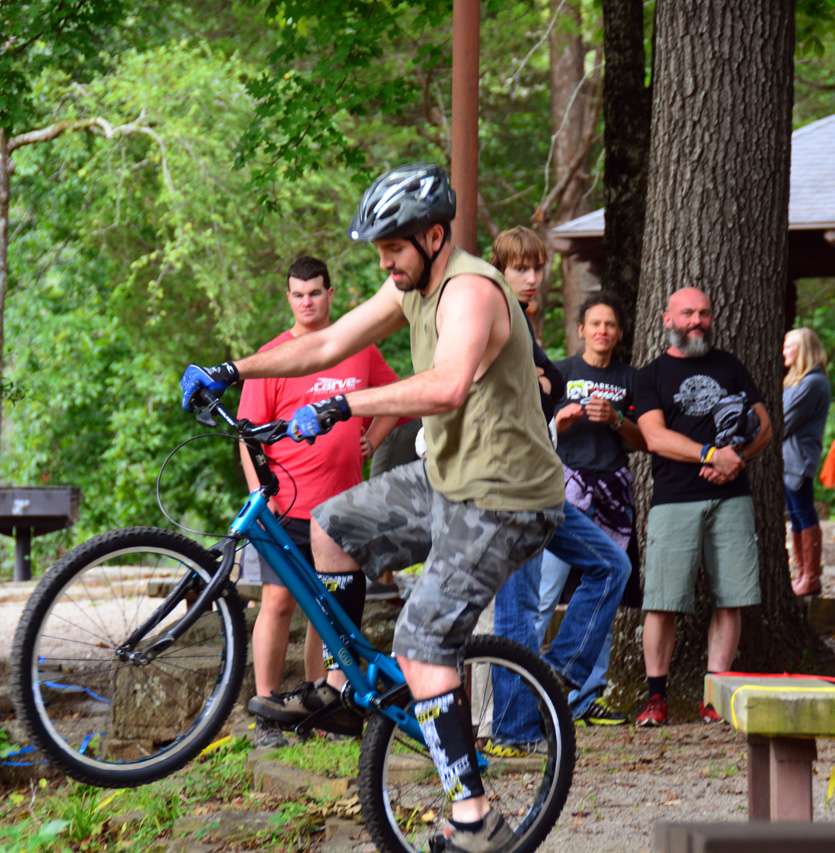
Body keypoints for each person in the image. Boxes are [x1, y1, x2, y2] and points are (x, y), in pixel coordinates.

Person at [181, 163, 564, 852]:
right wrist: (232, 369)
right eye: (380, 248)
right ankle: (337, 684)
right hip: (448, 476)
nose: (384, 260)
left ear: (434, 234)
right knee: (331, 526)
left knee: (420, 645)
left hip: (505, 496)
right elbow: (324, 344)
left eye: (393, 246)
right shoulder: (408, 286)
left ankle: (476, 817)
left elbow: (446, 387)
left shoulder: (470, 291)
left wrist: (342, 404)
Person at [238, 256, 400, 747]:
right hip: (285, 507)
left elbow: (395, 393)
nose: (307, 302)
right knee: (279, 601)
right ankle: (267, 712)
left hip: (342, 509)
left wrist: (373, 436)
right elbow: (247, 436)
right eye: (297, 294)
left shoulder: (358, 349)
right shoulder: (272, 357)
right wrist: (256, 496)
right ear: (288, 298)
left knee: (328, 610)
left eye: (315, 293)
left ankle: (321, 706)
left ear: (330, 294)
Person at [484, 229, 631, 752]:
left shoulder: (522, 321)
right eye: (519, 267)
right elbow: (514, 388)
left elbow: (547, 386)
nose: (531, 277)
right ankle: (514, 731)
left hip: (540, 484)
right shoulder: (491, 314)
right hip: (504, 484)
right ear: (497, 269)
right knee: (520, 609)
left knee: (611, 566)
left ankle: (556, 679)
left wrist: (546, 389)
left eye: (537, 267)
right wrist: (541, 387)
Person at [631, 287, 771, 727]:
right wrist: (712, 455)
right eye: (687, 313)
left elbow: (764, 425)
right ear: (666, 318)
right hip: (674, 499)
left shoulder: (730, 366)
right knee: (662, 601)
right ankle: (657, 698)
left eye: (704, 313)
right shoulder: (649, 375)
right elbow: (654, 437)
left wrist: (737, 460)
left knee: (731, 596)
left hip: (732, 497)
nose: (697, 321)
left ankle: (716, 694)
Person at [533, 294, 644, 726]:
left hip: (613, 493)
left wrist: (616, 420)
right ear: (580, 329)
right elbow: (532, 434)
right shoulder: (560, 373)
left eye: (610, 324)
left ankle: (585, 696)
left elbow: (644, 441)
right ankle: (527, 688)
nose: (602, 331)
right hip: (565, 491)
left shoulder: (629, 379)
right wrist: (557, 425)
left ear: (618, 333)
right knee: (545, 591)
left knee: (604, 592)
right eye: (595, 323)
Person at [782, 328, 831, 597]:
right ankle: (801, 573)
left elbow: (784, 422)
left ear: (803, 350)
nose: (784, 352)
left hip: (798, 460)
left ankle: (811, 577)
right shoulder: (794, 380)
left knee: (804, 513)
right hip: (786, 460)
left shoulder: (812, 382)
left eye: (789, 347)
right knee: (796, 518)